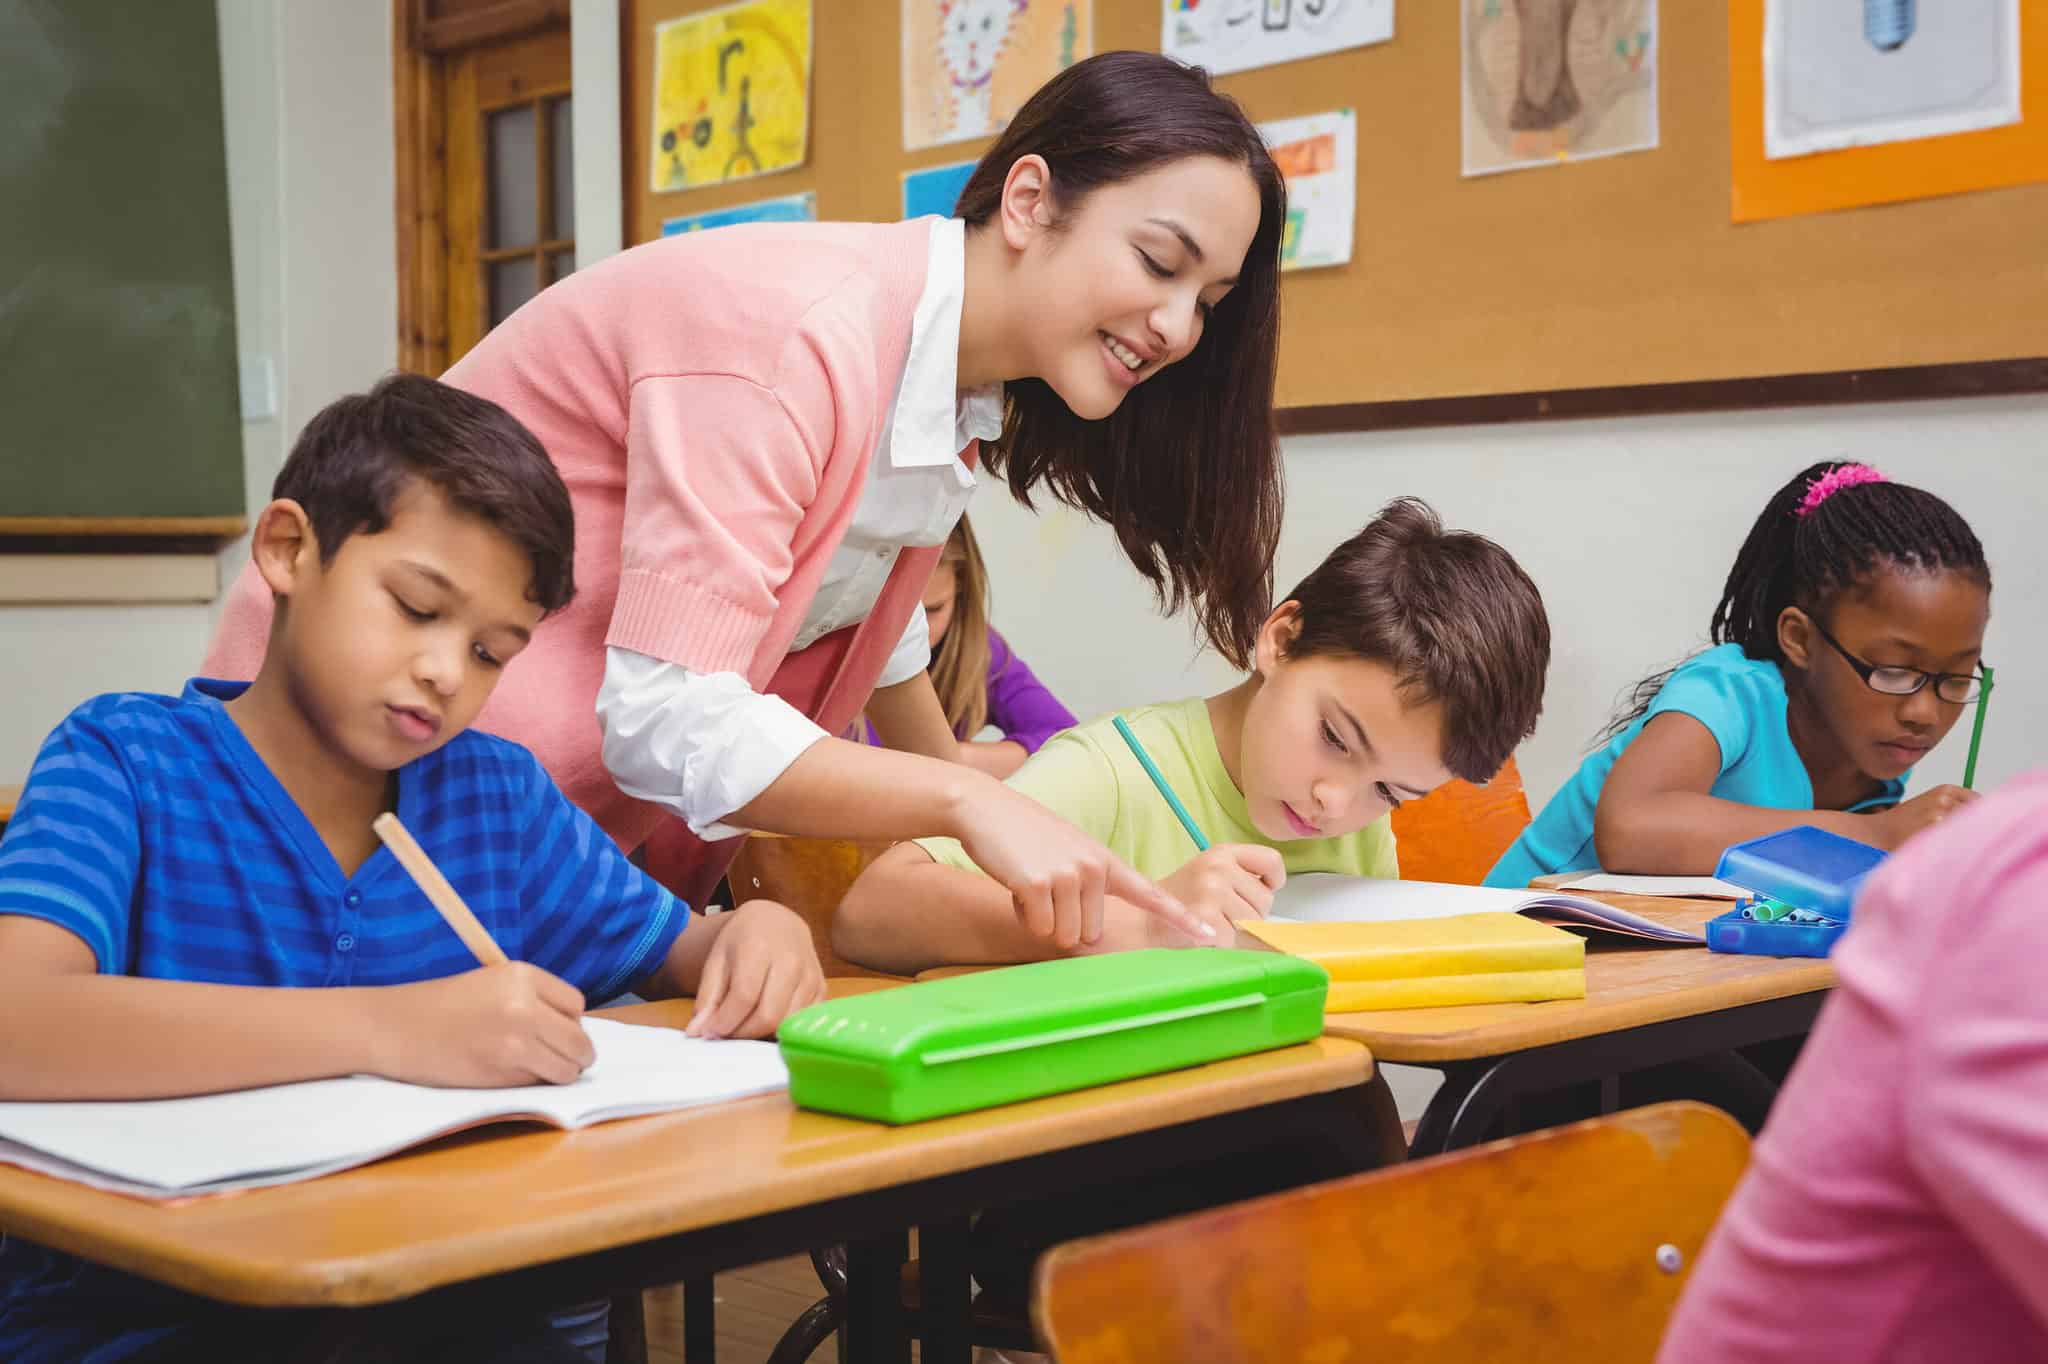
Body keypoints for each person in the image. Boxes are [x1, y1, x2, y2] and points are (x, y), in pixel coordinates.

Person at [204, 52, 1290, 951]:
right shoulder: (786, 339)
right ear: (1027, 199)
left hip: (525, 852)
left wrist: (969, 782)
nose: (1179, 328)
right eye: (1158, 262)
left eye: (1208, 299)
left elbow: (850, 601)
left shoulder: (946, 396)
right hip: (339, 792)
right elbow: (668, 715)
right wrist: (963, 797)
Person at [0, 376, 823, 1361]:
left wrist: (760, 932)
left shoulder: (493, 797)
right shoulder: (126, 761)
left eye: (489, 650)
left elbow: (690, 951)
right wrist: (393, 1029)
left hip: (456, 1305)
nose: (445, 670)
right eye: (414, 606)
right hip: (153, 1322)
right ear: (288, 551)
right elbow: (17, 1022)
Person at [834, 499, 1553, 974]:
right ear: (1282, 638)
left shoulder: (1354, 827)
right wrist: (1139, 926)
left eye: (1392, 791)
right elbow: (872, 913)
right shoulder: (1114, 772)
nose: (1337, 801)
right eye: (1335, 737)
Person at [1487, 461, 1991, 887]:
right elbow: (1631, 829)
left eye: (1956, 679)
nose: (1924, 711)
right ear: (1800, 639)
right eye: (1893, 671)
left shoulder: (1878, 740)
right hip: (1511, 943)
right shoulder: (1727, 693)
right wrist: (1876, 835)